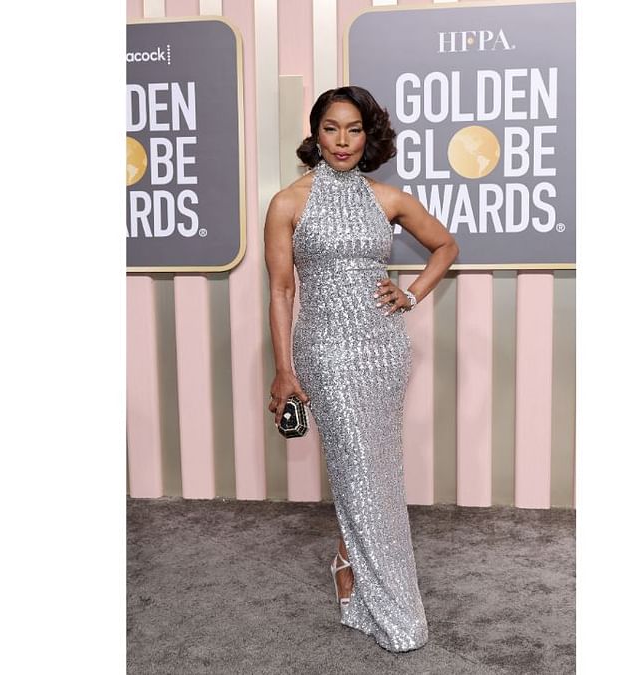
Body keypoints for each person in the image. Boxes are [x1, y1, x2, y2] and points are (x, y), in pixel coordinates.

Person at [263, 86, 459, 653]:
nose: (342, 141)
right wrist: (284, 370)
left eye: (353, 130)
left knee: (374, 469)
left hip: (382, 349)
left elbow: (444, 245)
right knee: (358, 470)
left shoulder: (388, 199)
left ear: (368, 136)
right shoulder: (288, 203)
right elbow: (280, 291)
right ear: (315, 132)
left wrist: (413, 294)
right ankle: (387, 603)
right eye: (331, 128)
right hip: (323, 350)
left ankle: (347, 569)